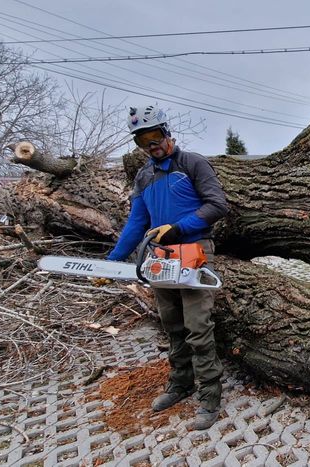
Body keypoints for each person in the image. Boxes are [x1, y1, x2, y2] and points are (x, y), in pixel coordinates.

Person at [105, 104, 229, 430]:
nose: (152, 145)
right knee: (172, 325)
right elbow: (136, 223)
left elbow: (218, 204)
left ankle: (209, 397)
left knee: (198, 327)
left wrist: (178, 228)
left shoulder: (192, 163)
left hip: (194, 251)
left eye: (155, 137)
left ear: (166, 132)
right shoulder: (144, 176)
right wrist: (113, 261)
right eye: (143, 141)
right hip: (159, 256)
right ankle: (181, 383)